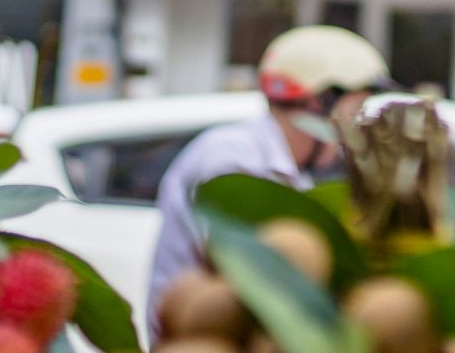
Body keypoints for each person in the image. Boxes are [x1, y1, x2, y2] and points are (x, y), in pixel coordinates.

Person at [146, 25, 392, 337]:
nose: (355, 128)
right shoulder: (230, 156)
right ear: (321, 102)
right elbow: (250, 277)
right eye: (355, 110)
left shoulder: (290, 172)